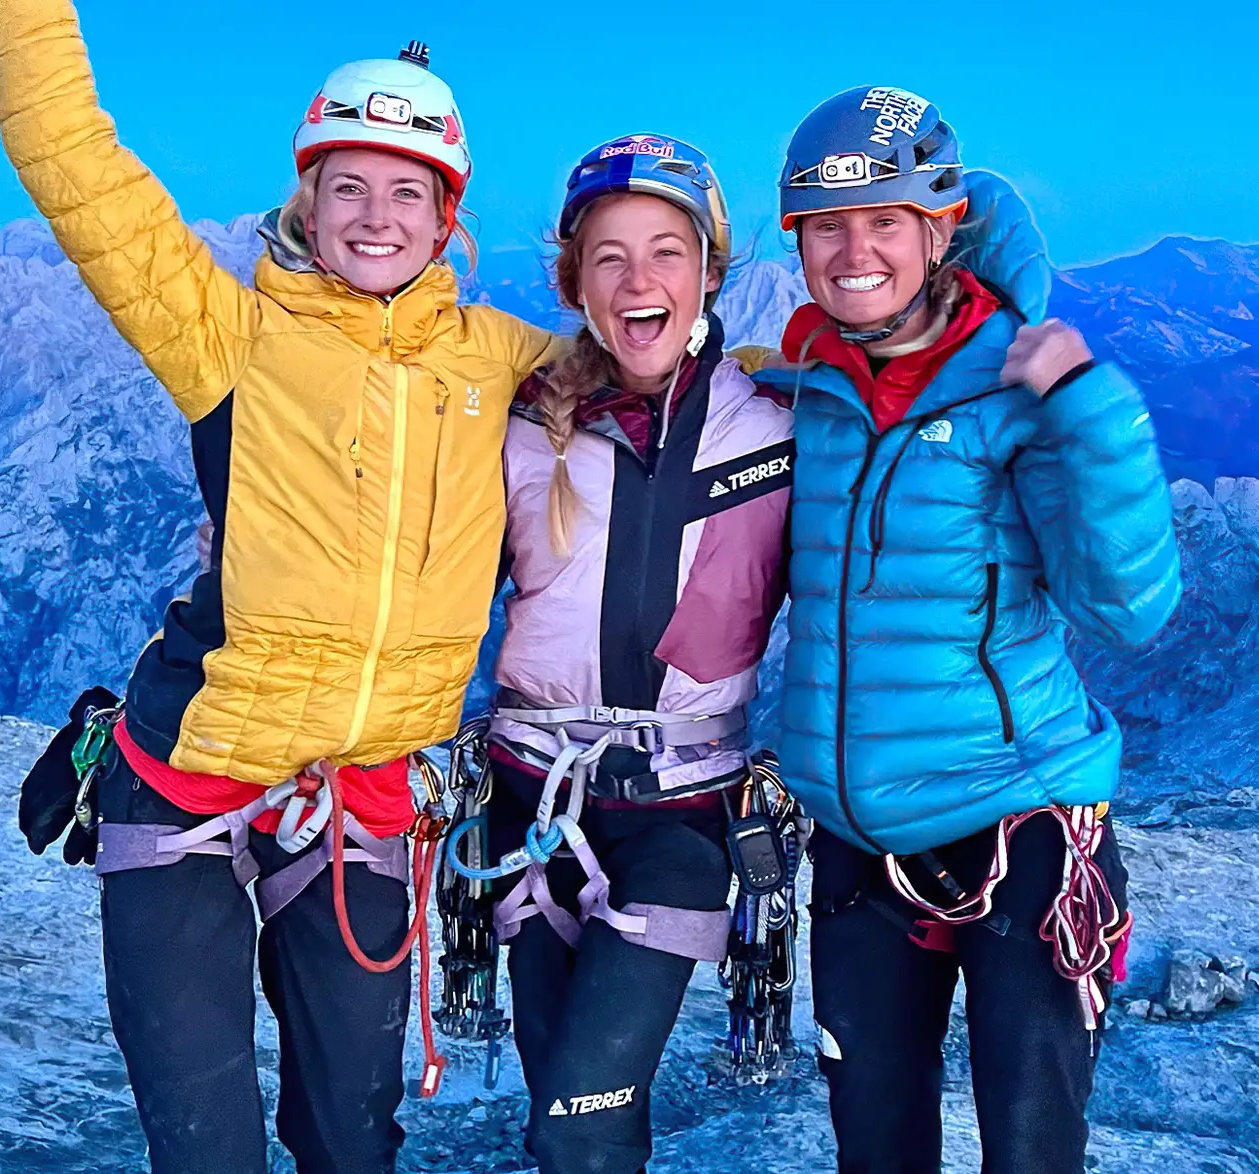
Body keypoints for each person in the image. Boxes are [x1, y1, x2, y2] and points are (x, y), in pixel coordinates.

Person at [0, 4, 560, 1172]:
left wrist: (781, 368)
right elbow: (78, 170)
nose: (375, 217)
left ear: (448, 214)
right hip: (182, 785)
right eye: (347, 188)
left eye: (408, 192)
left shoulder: (499, 363)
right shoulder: (225, 336)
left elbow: (652, 383)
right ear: (305, 201)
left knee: (353, 1137)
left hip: (358, 802)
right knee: (208, 1148)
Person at [755, 87, 1181, 1173]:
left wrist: (1086, 399)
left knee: (1030, 1151)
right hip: (856, 837)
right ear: (797, 242)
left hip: (1020, 824)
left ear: (939, 230)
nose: (855, 252)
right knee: (873, 1146)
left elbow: (1129, 611)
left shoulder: (1014, 383)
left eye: (885, 222)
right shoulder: (798, 387)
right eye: (826, 228)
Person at [450, 134, 793, 1174]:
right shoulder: (515, 430)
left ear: (709, 273)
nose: (636, 280)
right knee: (565, 1124)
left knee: (581, 1119)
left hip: (682, 820)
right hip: (528, 811)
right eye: (606, 257)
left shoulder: (782, 429)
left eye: (664, 252)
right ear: (572, 282)